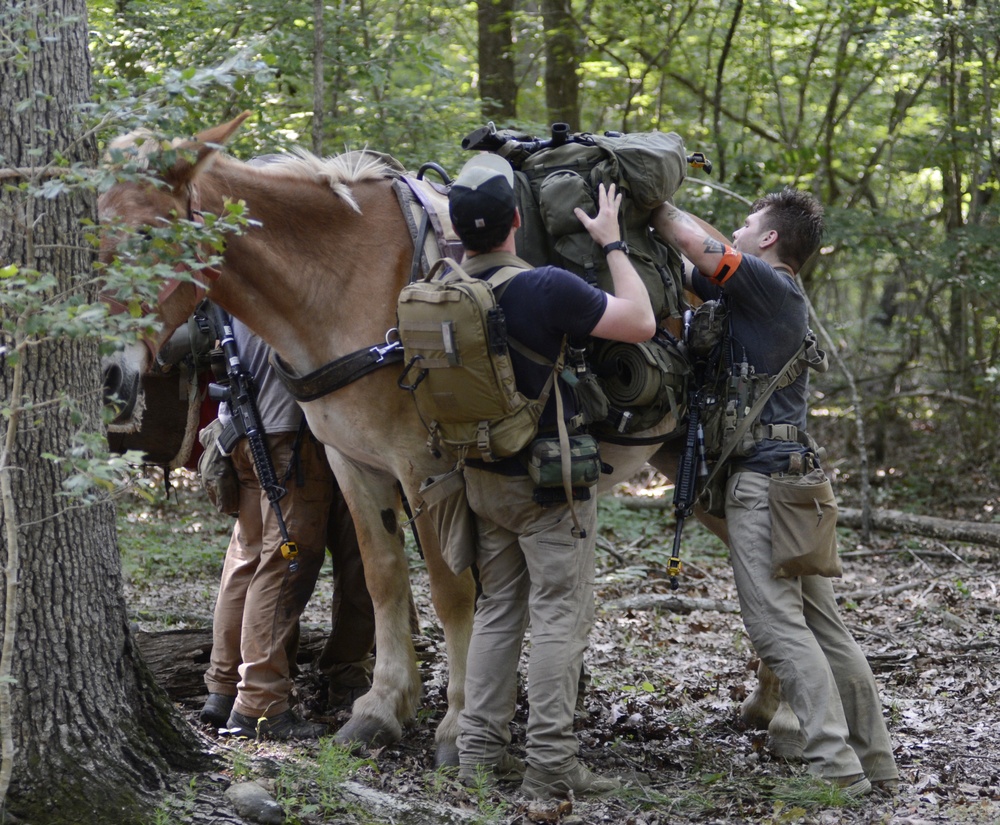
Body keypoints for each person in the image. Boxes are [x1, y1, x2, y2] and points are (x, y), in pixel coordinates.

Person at [652, 189, 899, 795]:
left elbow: (689, 242)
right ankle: (876, 763)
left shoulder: (767, 284)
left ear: (768, 241)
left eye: (745, 224)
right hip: (792, 482)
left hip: (763, 486)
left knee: (778, 629)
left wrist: (644, 198)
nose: (735, 230)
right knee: (824, 627)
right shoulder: (757, 298)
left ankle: (836, 770)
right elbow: (680, 270)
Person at [449, 154, 656, 800]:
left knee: (498, 610)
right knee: (560, 615)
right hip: (548, 485)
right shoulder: (545, 288)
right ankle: (550, 766)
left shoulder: (444, 289)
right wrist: (613, 242)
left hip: (481, 480)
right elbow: (641, 321)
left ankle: (478, 756)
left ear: (457, 230)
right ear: (517, 219)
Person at [199, 315, 375, 739]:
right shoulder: (292, 277)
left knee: (248, 555)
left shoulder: (243, 288)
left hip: (240, 431)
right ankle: (260, 703)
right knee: (285, 565)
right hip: (287, 441)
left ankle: (224, 688)